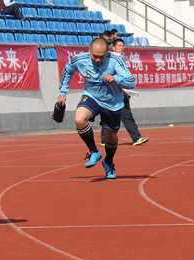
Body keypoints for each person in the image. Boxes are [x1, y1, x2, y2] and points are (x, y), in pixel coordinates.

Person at [56, 36, 136, 179]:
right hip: (92, 97)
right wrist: (63, 93)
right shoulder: (80, 60)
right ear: (89, 51)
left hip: (112, 102)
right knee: (80, 120)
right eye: (95, 56)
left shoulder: (115, 61)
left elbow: (131, 82)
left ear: (108, 53)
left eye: (101, 57)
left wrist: (116, 78)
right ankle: (94, 152)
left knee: (110, 137)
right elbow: (68, 70)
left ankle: (108, 162)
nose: (98, 60)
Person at [108, 38, 148, 144]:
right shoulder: (111, 59)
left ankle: (136, 137)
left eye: (123, 45)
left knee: (113, 115)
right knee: (121, 115)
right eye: (119, 45)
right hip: (114, 91)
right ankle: (136, 137)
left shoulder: (123, 58)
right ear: (113, 47)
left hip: (122, 90)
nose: (122, 47)